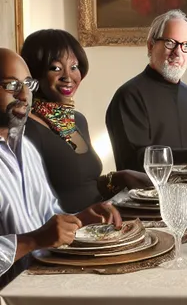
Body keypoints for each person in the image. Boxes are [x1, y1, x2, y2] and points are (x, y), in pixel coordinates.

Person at [0, 48, 121, 280]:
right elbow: (39, 236)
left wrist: (81, 219)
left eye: (27, 85)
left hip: (46, 279)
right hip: (10, 299)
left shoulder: (25, 149)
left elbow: (48, 216)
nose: (24, 96)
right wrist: (32, 241)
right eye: (12, 86)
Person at [20, 30, 150, 213]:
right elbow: (31, 206)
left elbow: (83, 184)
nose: (68, 77)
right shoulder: (26, 128)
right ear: (34, 72)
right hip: (69, 233)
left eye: (74, 67)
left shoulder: (77, 120)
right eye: (55, 68)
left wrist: (119, 178)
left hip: (102, 222)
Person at [106, 10, 187, 171]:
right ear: (151, 45)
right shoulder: (129, 96)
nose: (178, 52)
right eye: (170, 42)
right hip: (143, 195)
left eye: (186, 45)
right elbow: (135, 160)